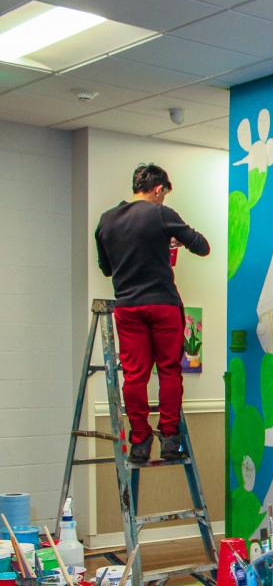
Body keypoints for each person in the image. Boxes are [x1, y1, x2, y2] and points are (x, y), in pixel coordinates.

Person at [95, 164, 210, 464]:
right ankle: (170, 439)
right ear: (159, 190)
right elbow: (202, 246)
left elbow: (107, 268)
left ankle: (140, 441)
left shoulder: (107, 221)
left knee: (134, 375)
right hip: (162, 304)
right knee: (169, 370)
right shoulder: (161, 214)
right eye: (164, 195)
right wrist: (174, 238)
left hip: (128, 306)